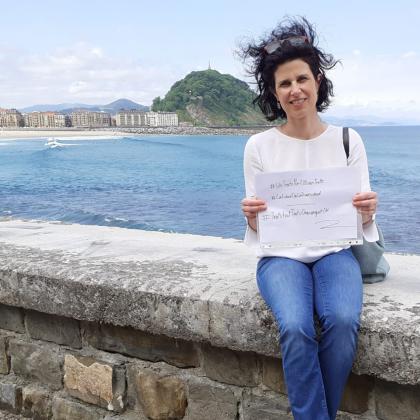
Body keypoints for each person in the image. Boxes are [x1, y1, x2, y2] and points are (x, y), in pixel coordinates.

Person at [239, 17, 379, 420]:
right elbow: (259, 229)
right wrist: (251, 217)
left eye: (302, 78)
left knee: (342, 319)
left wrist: (367, 210)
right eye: (284, 83)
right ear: (274, 92)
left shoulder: (348, 139)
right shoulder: (258, 146)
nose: (295, 89)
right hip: (281, 256)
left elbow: (360, 223)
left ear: (318, 81)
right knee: (296, 327)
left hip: (335, 252)